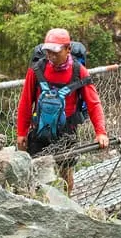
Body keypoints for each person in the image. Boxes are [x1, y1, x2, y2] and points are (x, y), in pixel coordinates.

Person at [16, 28, 109, 195]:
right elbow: (26, 101)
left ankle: (66, 203)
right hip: (40, 129)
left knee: (66, 174)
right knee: (35, 172)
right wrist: (21, 132)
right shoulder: (36, 69)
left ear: (68, 49)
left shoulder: (78, 71)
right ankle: (37, 204)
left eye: (55, 52)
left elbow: (93, 103)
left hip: (67, 131)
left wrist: (100, 132)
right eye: (48, 51)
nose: (51, 56)